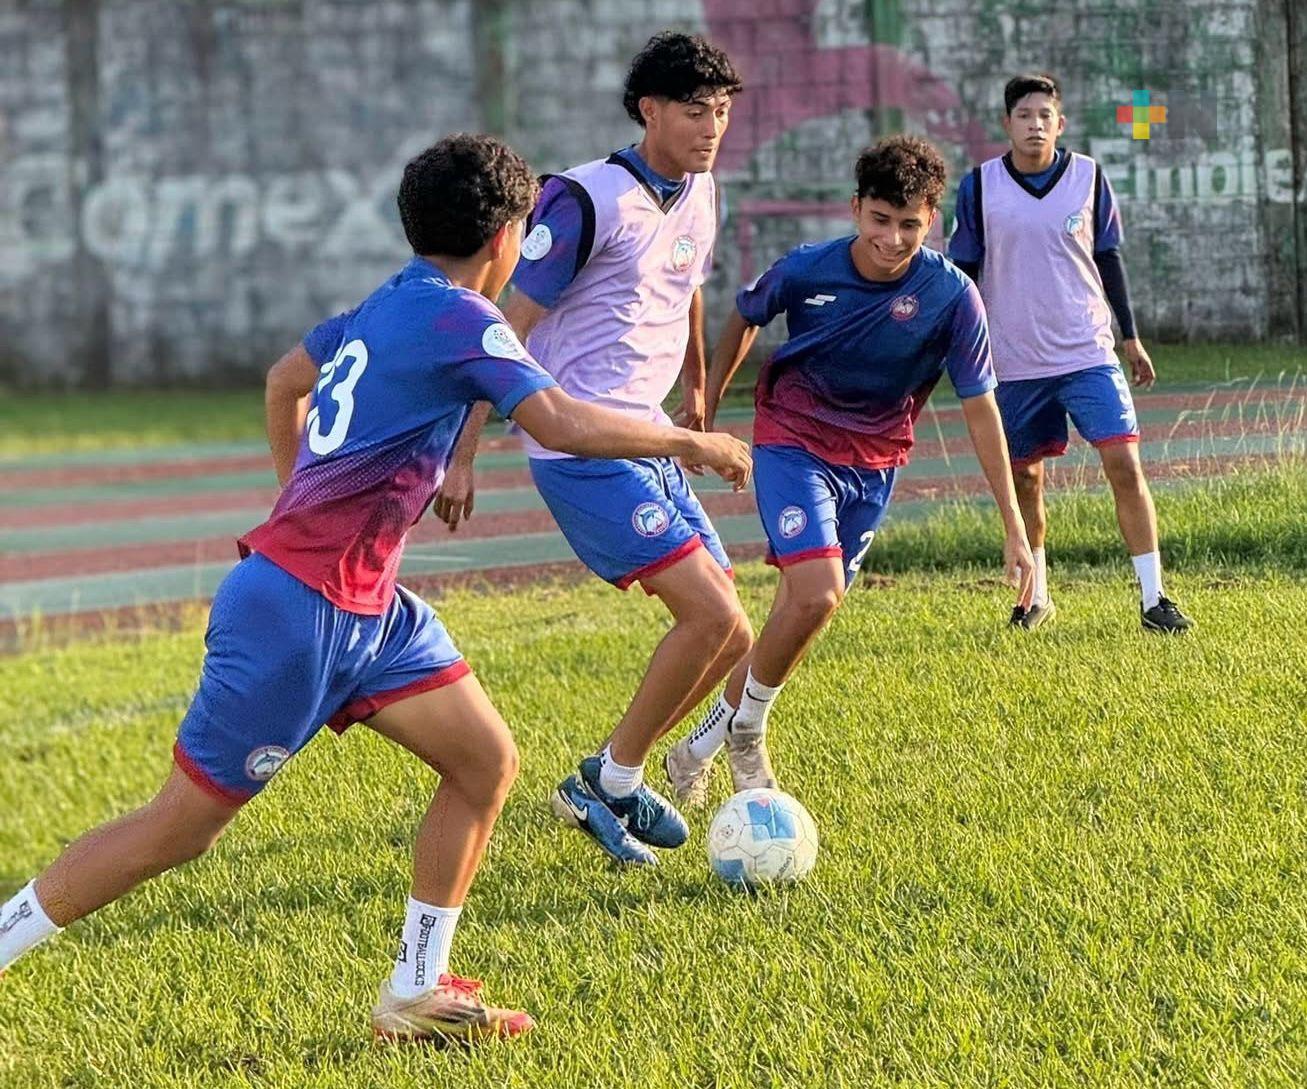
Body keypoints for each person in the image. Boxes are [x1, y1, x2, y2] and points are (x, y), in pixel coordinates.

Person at [0, 133, 751, 1044]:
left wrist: (296, 501)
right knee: (177, 831)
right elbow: (555, 420)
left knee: (483, 762)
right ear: (508, 235)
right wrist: (687, 442)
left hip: (370, 611)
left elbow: (287, 381)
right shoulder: (468, 322)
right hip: (298, 616)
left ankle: (414, 990)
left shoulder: (391, 301)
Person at [436, 32, 751, 865]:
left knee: (734, 633)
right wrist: (465, 451)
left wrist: (693, 392)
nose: (710, 126)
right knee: (712, 613)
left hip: (648, 434)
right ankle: (612, 776)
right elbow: (501, 332)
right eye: (694, 110)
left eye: (721, 111)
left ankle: (609, 778)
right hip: (581, 448)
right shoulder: (584, 200)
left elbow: (685, 284)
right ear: (647, 110)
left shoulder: (702, 189)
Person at [663, 135, 1035, 803]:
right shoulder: (808, 269)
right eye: (879, 220)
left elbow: (981, 408)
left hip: (875, 463)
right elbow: (744, 316)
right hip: (791, 441)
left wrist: (1014, 526)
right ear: (855, 207)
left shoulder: (952, 297)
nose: (892, 239)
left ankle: (697, 748)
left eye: (909, 225)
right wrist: (709, 407)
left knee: (797, 616)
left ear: (933, 220)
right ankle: (748, 732)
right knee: (817, 592)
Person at [948, 72, 1193, 633]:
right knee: (1027, 480)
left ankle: (1155, 598)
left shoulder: (1088, 177)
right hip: (1012, 361)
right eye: (1023, 115)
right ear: (1006, 124)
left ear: (1061, 123)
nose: (1035, 125)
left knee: (1124, 463)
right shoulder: (980, 186)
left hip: (1087, 352)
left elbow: (1108, 258)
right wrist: (955, 345)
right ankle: (1036, 597)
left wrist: (1130, 335)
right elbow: (964, 271)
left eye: (1045, 116)